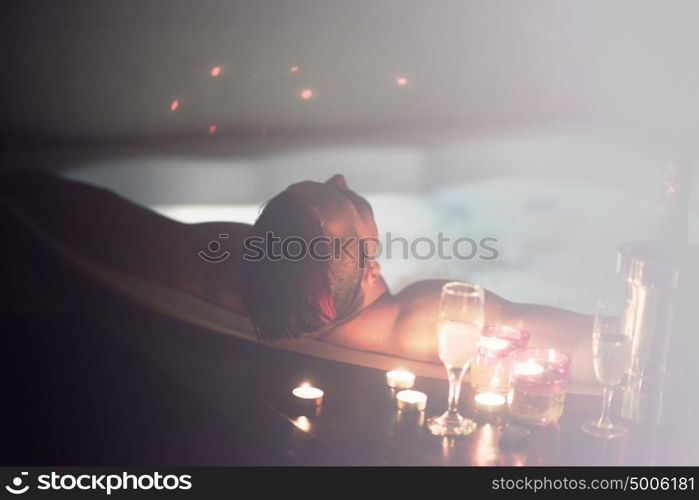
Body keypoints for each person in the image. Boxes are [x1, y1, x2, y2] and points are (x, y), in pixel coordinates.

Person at [0, 171, 594, 384]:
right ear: (369, 265)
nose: (339, 179)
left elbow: (113, 226)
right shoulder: (426, 317)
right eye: (347, 200)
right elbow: (606, 345)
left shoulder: (235, 266)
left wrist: (25, 184)